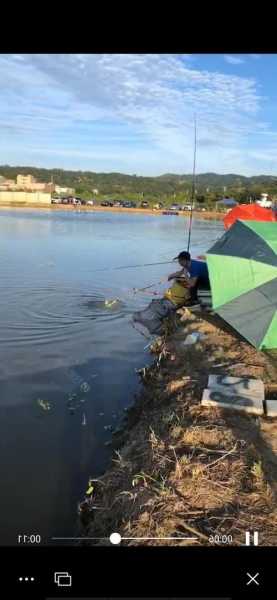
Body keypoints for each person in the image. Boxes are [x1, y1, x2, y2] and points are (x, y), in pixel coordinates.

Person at [132, 254, 192, 335]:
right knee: (163, 301)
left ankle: (169, 323)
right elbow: (180, 273)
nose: (179, 262)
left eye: (179, 261)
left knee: (164, 305)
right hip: (173, 297)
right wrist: (171, 276)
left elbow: (192, 284)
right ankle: (170, 318)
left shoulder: (194, 268)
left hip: (180, 298)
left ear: (184, 260)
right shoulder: (188, 265)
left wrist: (185, 274)